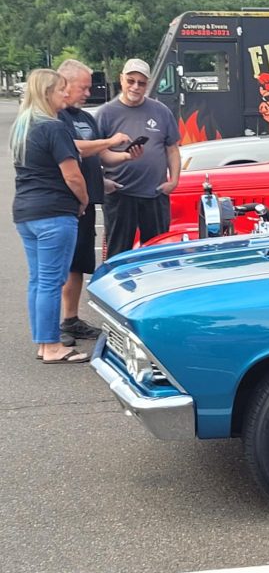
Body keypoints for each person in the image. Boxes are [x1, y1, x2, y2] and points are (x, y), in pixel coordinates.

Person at [56, 59, 138, 346]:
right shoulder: (55, 117)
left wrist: (126, 155)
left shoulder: (86, 118)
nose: (88, 93)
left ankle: (71, 319)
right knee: (63, 265)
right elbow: (75, 148)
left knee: (79, 262)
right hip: (66, 202)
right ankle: (56, 326)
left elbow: (101, 156)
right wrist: (109, 141)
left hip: (87, 202)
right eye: (83, 87)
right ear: (63, 85)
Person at [10, 69, 90, 363]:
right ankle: (53, 346)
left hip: (26, 211)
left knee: (38, 280)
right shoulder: (54, 128)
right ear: (47, 94)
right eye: (60, 90)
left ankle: (44, 343)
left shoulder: (22, 126)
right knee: (51, 280)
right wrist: (83, 201)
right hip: (54, 212)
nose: (66, 95)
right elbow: (72, 175)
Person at [95, 58, 181, 257]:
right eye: (130, 80)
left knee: (158, 253)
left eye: (141, 83)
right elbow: (95, 153)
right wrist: (104, 181)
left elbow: (172, 149)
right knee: (118, 253)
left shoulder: (161, 111)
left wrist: (174, 180)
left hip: (155, 194)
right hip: (120, 194)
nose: (135, 87)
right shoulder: (105, 113)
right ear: (121, 79)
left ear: (147, 85)